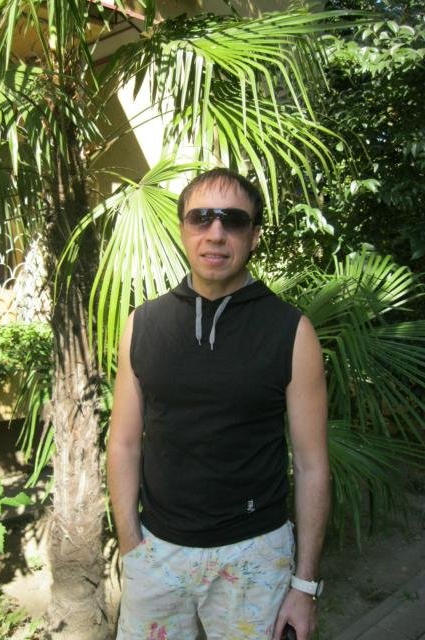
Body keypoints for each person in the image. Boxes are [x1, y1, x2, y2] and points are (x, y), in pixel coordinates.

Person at [107, 168, 330, 640]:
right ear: (183, 229)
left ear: (254, 236)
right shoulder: (143, 324)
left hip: (256, 557)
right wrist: (131, 547)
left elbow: (312, 465)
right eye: (201, 218)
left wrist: (305, 586)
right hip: (157, 554)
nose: (215, 233)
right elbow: (123, 443)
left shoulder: (291, 332)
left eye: (233, 220)